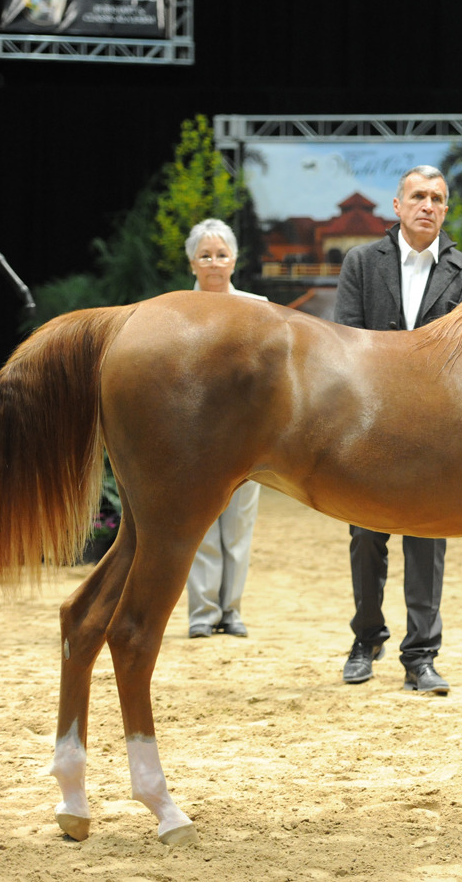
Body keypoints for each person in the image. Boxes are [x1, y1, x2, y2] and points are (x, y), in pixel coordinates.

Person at [334, 165, 462, 691]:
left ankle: (421, 656)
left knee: (427, 543)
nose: (428, 205)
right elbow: (344, 344)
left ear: (445, 210)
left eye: (437, 199)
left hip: (435, 434)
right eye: (418, 196)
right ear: (397, 206)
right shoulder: (360, 262)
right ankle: (365, 639)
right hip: (369, 428)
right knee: (364, 538)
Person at [184, 218, 269, 639]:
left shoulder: (258, 307)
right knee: (198, 527)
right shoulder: (174, 310)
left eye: (221, 254)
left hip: (244, 436)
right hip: (192, 435)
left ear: (234, 260)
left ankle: (231, 611)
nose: (214, 263)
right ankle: (202, 614)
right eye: (205, 255)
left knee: (237, 527)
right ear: (192, 263)